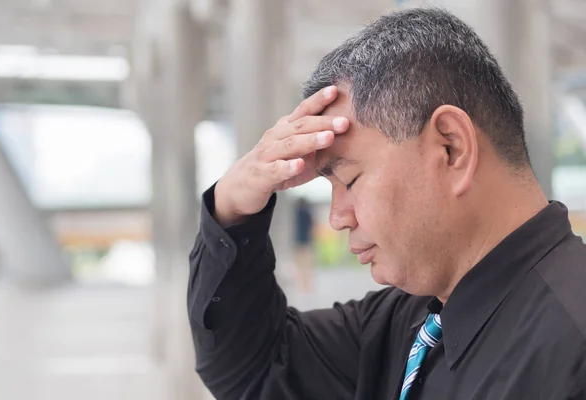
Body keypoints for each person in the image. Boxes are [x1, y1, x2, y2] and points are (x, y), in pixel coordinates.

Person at [188, 8, 586, 400]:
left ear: (451, 148)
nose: (337, 217)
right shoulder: (407, 322)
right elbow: (257, 370)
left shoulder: (572, 348)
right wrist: (233, 207)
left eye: (349, 180)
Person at [293, 197, 315, 293]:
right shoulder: (308, 213)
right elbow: (311, 227)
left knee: (298, 265)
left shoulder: (296, 214)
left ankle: (300, 286)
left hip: (298, 242)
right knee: (307, 265)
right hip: (306, 241)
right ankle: (307, 286)